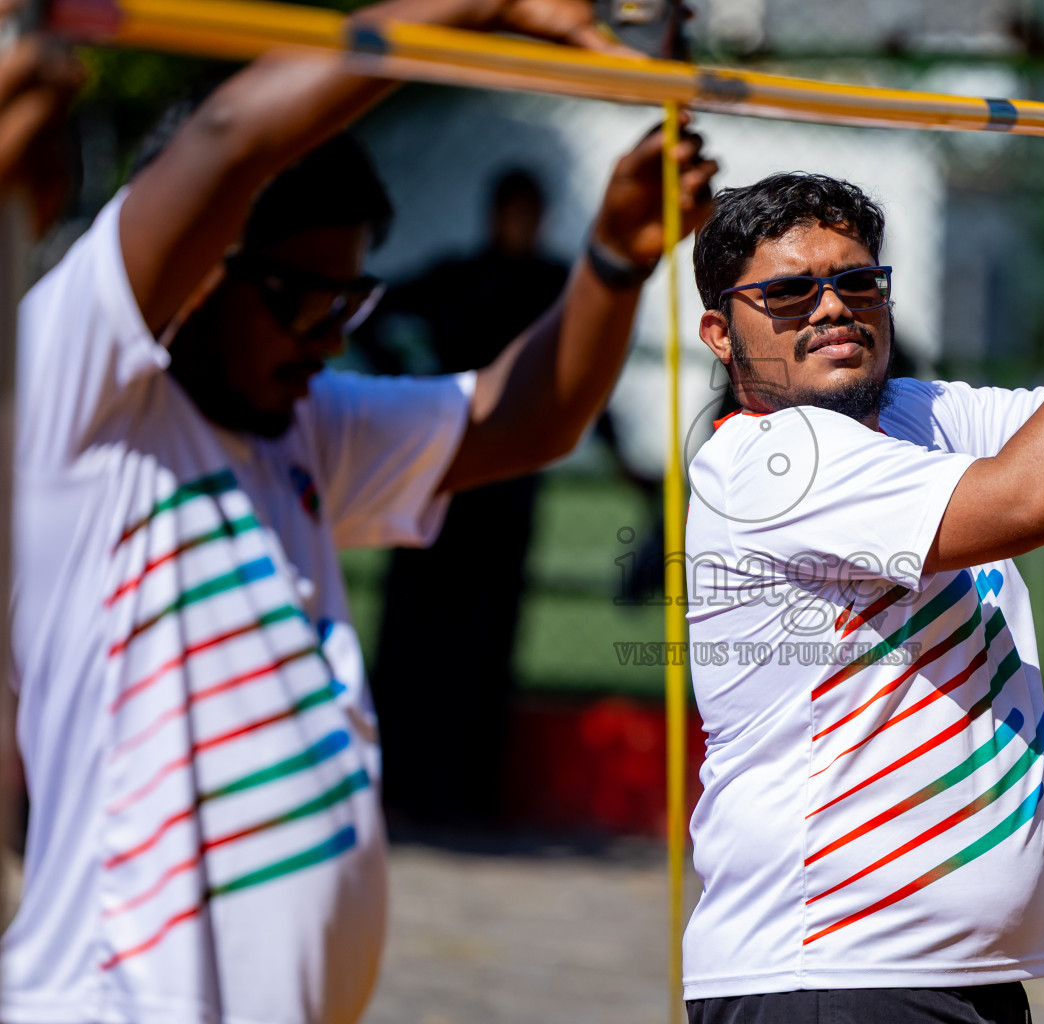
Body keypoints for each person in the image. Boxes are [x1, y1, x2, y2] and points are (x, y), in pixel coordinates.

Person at [4, 2, 716, 1023]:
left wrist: (614, 257)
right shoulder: (78, 396)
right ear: (205, 271)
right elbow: (228, 139)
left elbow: (524, 419)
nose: (326, 339)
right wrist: (484, 9)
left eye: (349, 303)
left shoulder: (303, 427)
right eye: (302, 299)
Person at [682, 145, 1044, 1023]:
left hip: (943, 977)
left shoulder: (917, 414)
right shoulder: (773, 456)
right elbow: (1030, 500)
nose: (833, 307)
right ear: (721, 333)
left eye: (859, 283)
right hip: (827, 975)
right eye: (791, 293)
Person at [360, 169, 568, 827]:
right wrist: (412, 384)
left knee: (484, 640)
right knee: (415, 632)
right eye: (513, 209)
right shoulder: (454, 277)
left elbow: (587, 371)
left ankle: (468, 791)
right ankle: (399, 781)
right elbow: (374, 310)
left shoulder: (552, 285)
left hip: (507, 491)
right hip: (442, 473)